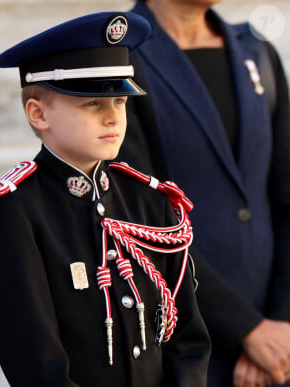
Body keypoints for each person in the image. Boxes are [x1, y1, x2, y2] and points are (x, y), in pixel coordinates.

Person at [0, 12, 211, 386]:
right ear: (38, 113)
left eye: (120, 102)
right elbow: (36, 366)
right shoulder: (10, 213)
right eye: (92, 104)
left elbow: (187, 341)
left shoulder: (151, 202)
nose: (112, 118)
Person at [117, 1, 290, 386]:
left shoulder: (256, 49)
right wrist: (248, 330)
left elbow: (285, 196)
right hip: (184, 344)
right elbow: (138, 218)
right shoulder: (120, 56)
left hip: (279, 348)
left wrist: (280, 322)